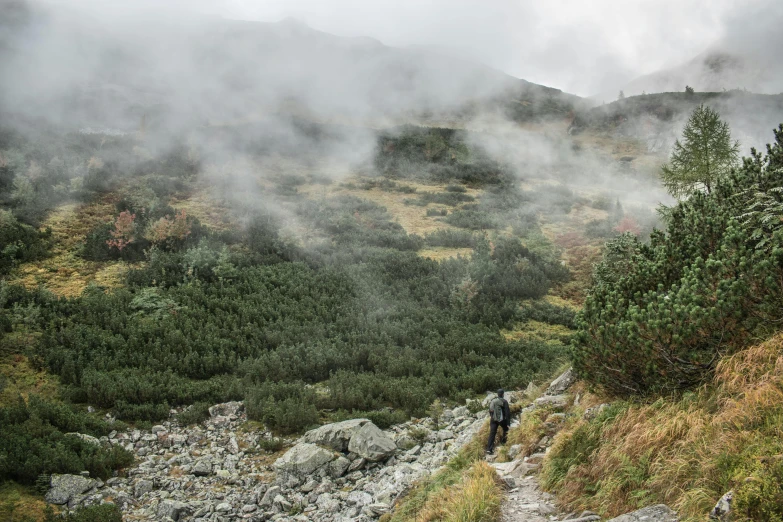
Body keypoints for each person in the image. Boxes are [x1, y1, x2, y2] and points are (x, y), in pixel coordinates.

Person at [486, 389, 511, 454]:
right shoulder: (504, 401)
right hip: (501, 420)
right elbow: (507, 412)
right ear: (503, 394)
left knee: (492, 433)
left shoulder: (493, 401)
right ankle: (504, 443)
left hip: (493, 419)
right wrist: (508, 423)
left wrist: (492, 417)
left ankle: (489, 449)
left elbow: (490, 410)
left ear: (497, 394)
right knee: (506, 429)